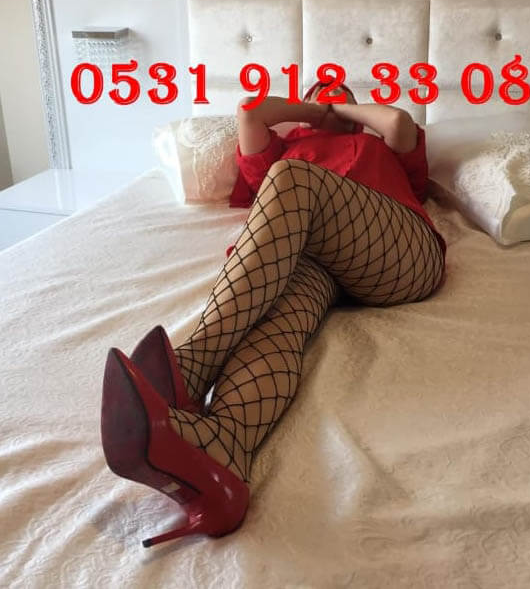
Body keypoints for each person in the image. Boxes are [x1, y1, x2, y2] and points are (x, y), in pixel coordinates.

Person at [100, 80, 447, 548]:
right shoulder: (285, 146)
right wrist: (312, 112)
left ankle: (190, 365)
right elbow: (250, 112)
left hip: (396, 255)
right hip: (310, 266)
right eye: (319, 91)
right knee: (278, 324)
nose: (328, 97)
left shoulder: (376, 146)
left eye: (339, 92)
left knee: (292, 177)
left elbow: (398, 121)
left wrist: (341, 110)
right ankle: (223, 452)